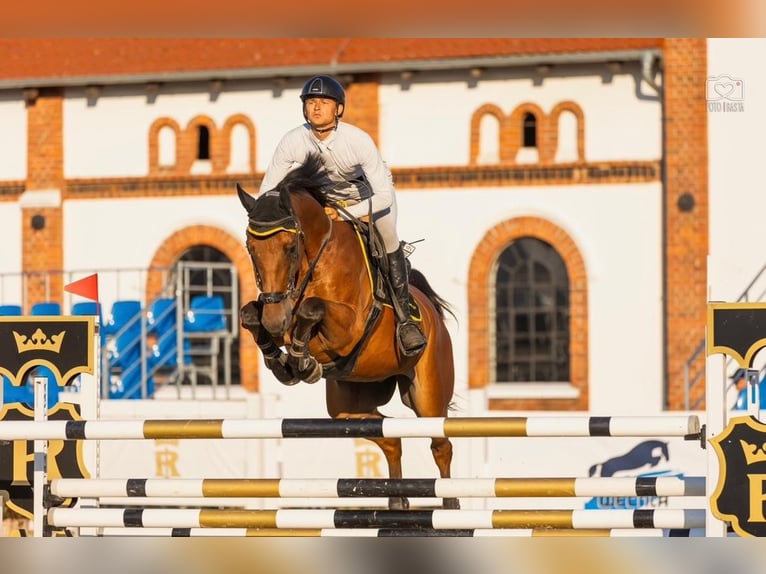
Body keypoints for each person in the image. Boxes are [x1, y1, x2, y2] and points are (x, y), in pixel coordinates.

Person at [259, 74, 427, 357]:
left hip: (369, 200)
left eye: (324, 102)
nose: (316, 108)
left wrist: (348, 215)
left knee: (387, 239)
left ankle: (405, 320)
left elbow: (383, 196)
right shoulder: (293, 141)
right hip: (325, 202)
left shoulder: (357, 140)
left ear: (338, 109)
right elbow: (268, 192)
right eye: (311, 102)